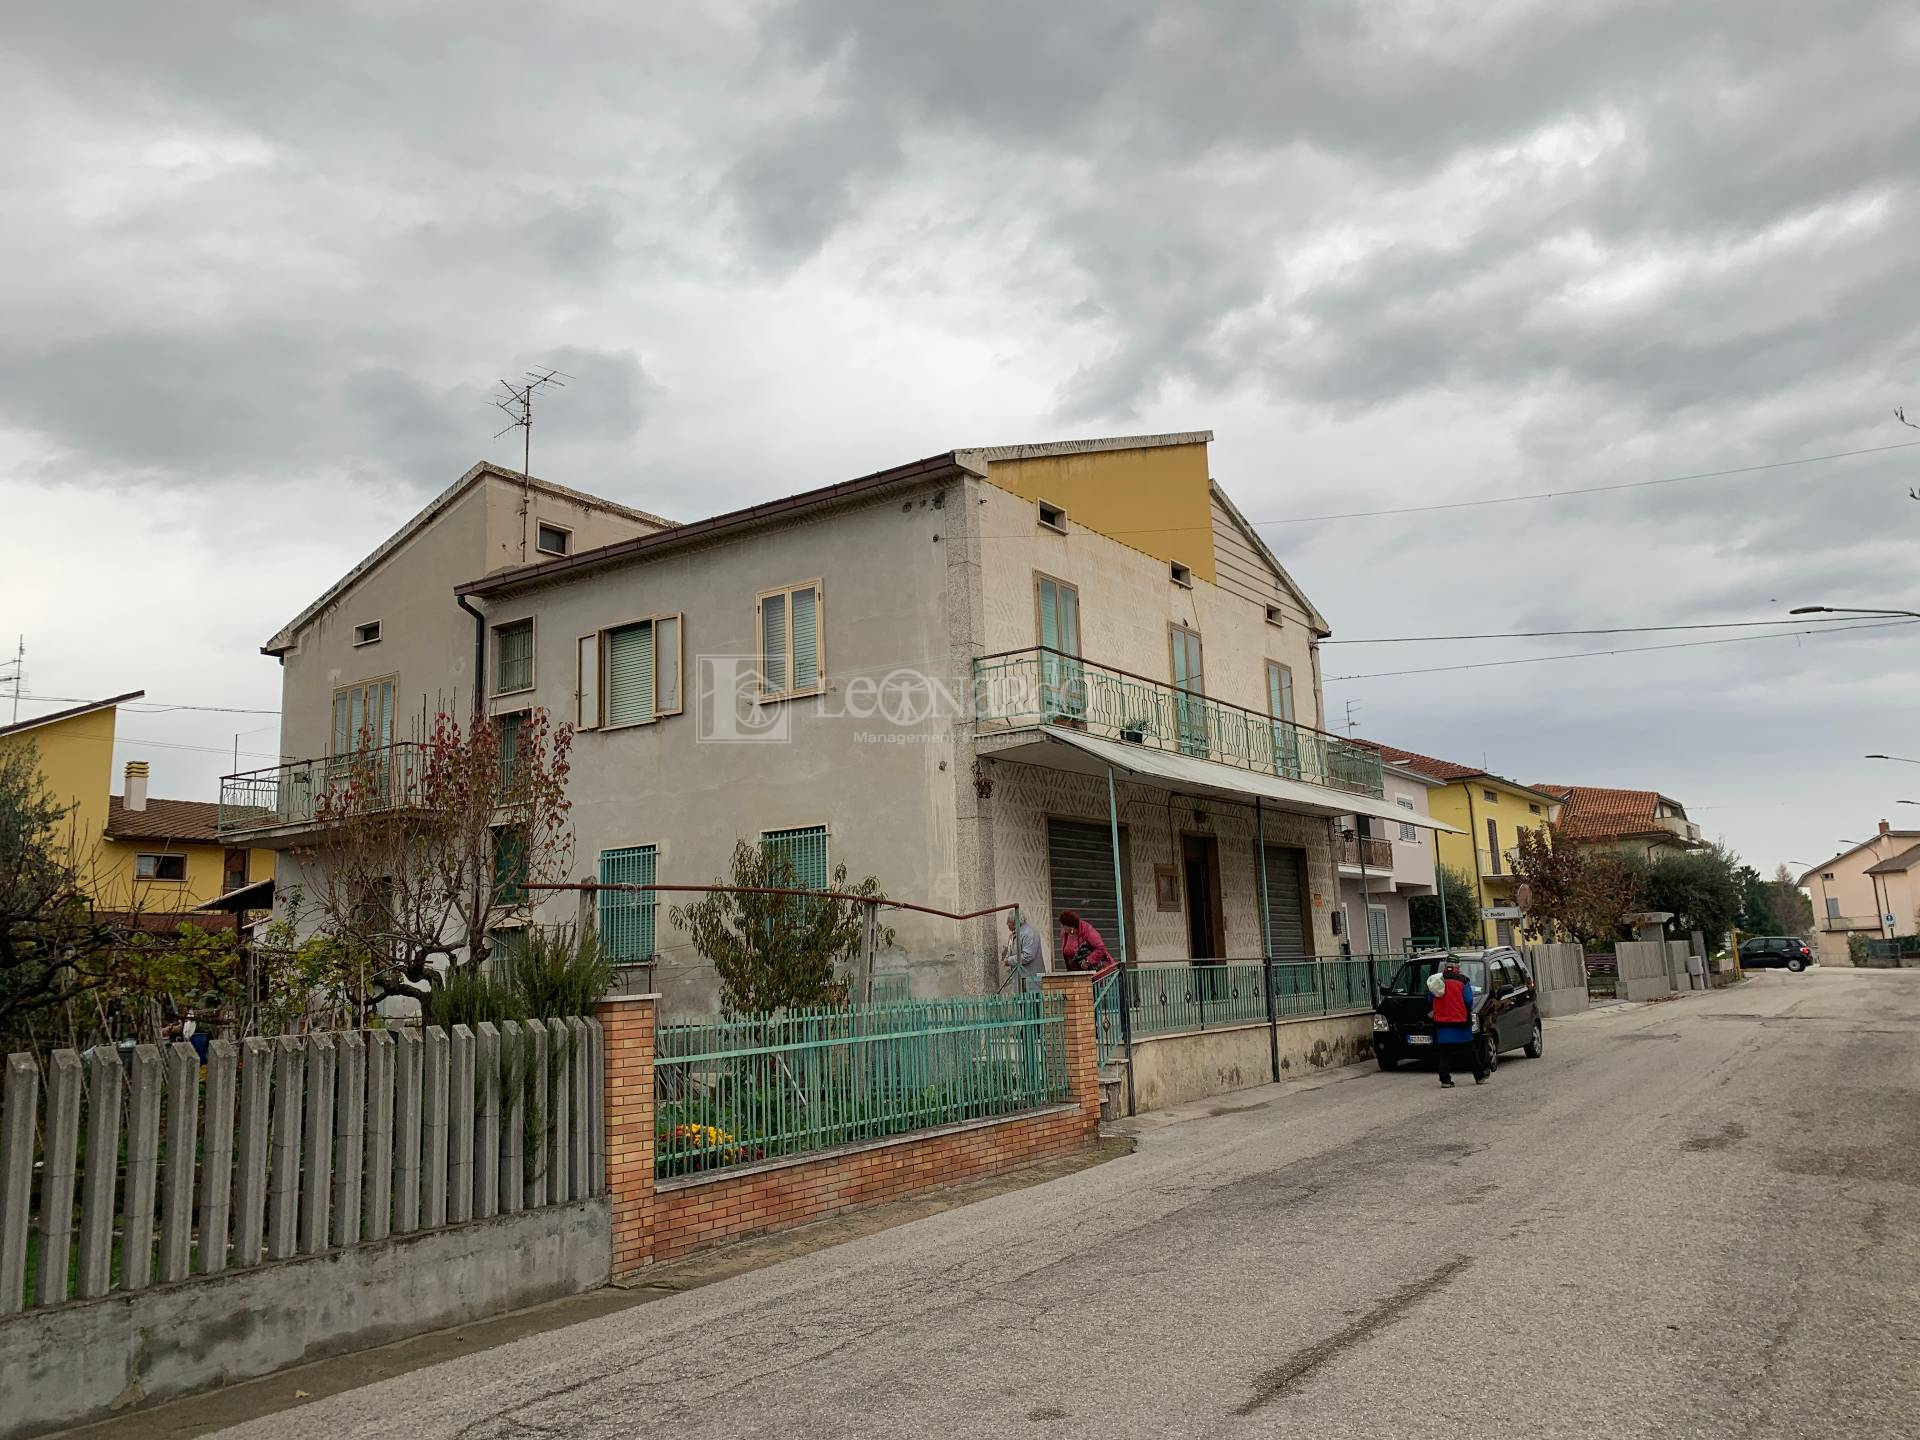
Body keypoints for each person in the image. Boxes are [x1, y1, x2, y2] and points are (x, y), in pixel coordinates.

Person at [1429, 960, 1485, 1088]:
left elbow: (1430, 999)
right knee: (1470, 1052)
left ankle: (1445, 1080)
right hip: (1461, 1023)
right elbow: (1469, 1000)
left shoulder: (1437, 981)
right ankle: (1479, 1076)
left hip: (1442, 1023)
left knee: (1444, 1054)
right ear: (1456, 968)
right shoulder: (1463, 981)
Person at [1057, 910, 1115, 976]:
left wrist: (1088, 961)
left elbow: (1101, 948)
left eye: (1063, 924)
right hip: (1078, 972)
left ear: (1071, 926)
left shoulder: (1087, 931)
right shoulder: (1065, 933)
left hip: (1099, 972)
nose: (1061, 926)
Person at [1003, 911, 1047, 994]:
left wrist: (1009, 961)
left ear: (1014, 922)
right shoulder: (1016, 934)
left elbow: (1028, 955)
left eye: (1008, 922)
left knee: (1032, 1006)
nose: (1007, 924)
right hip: (1021, 981)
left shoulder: (1029, 933)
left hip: (1030, 982)